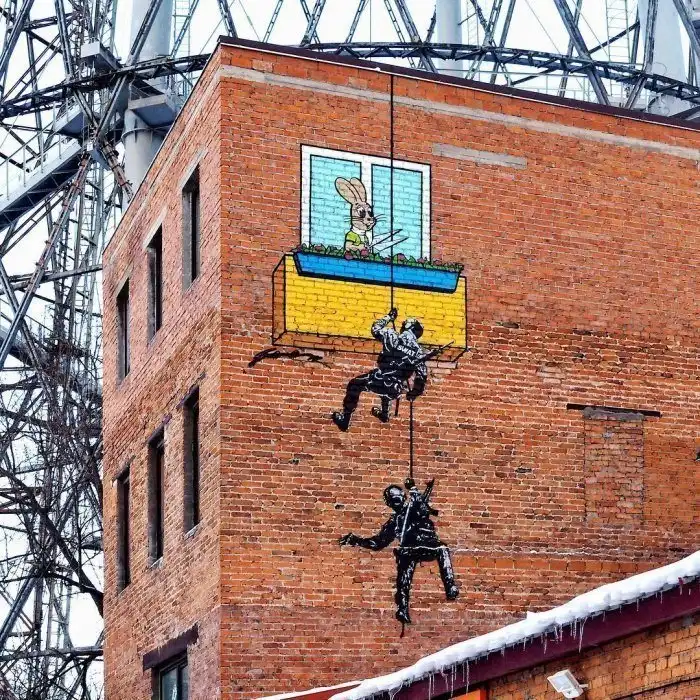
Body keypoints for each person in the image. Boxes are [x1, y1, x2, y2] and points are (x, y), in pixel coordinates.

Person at [339, 478, 458, 624]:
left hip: (428, 546)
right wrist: (356, 540)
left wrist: (413, 489)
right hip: (409, 549)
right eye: (393, 502)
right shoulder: (394, 521)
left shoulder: (415, 507)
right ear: (389, 504)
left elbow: (422, 508)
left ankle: (450, 586)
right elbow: (378, 543)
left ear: (403, 497)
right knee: (403, 569)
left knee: (443, 549)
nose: (397, 504)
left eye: (398, 499)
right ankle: (402, 607)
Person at [332, 308, 427, 431]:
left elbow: (375, 329)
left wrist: (389, 317)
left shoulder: (391, 335)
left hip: (379, 379)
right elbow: (422, 376)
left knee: (354, 385)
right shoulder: (419, 352)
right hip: (395, 388)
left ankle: (345, 421)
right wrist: (413, 393)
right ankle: (384, 414)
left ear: (406, 327)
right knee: (387, 389)